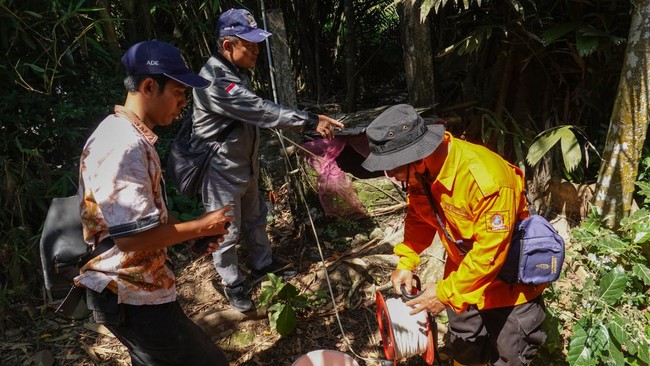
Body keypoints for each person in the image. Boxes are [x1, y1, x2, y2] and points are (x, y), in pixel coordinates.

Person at [76, 40, 231, 366]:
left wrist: (193, 234)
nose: (182, 104)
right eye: (178, 93)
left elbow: (144, 220)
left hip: (135, 291)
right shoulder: (124, 144)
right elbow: (130, 238)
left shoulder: (123, 135)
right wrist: (203, 225)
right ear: (149, 86)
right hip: (130, 295)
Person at [362, 104, 546, 366]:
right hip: (461, 274)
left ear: (418, 156)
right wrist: (407, 259)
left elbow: (490, 254)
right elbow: (419, 216)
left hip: (509, 283)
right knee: (465, 344)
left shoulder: (485, 179)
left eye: (393, 168)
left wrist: (445, 293)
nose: (389, 175)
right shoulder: (422, 174)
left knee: (511, 353)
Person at [188, 8, 344, 312]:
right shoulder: (213, 80)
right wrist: (309, 120)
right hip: (220, 172)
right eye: (251, 45)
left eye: (258, 44)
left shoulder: (235, 73)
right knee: (226, 231)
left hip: (244, 165)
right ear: (228, 46)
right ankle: (232, 282)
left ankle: (262, 263)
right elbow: (259, 110)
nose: (257, 51)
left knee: (256, 216)